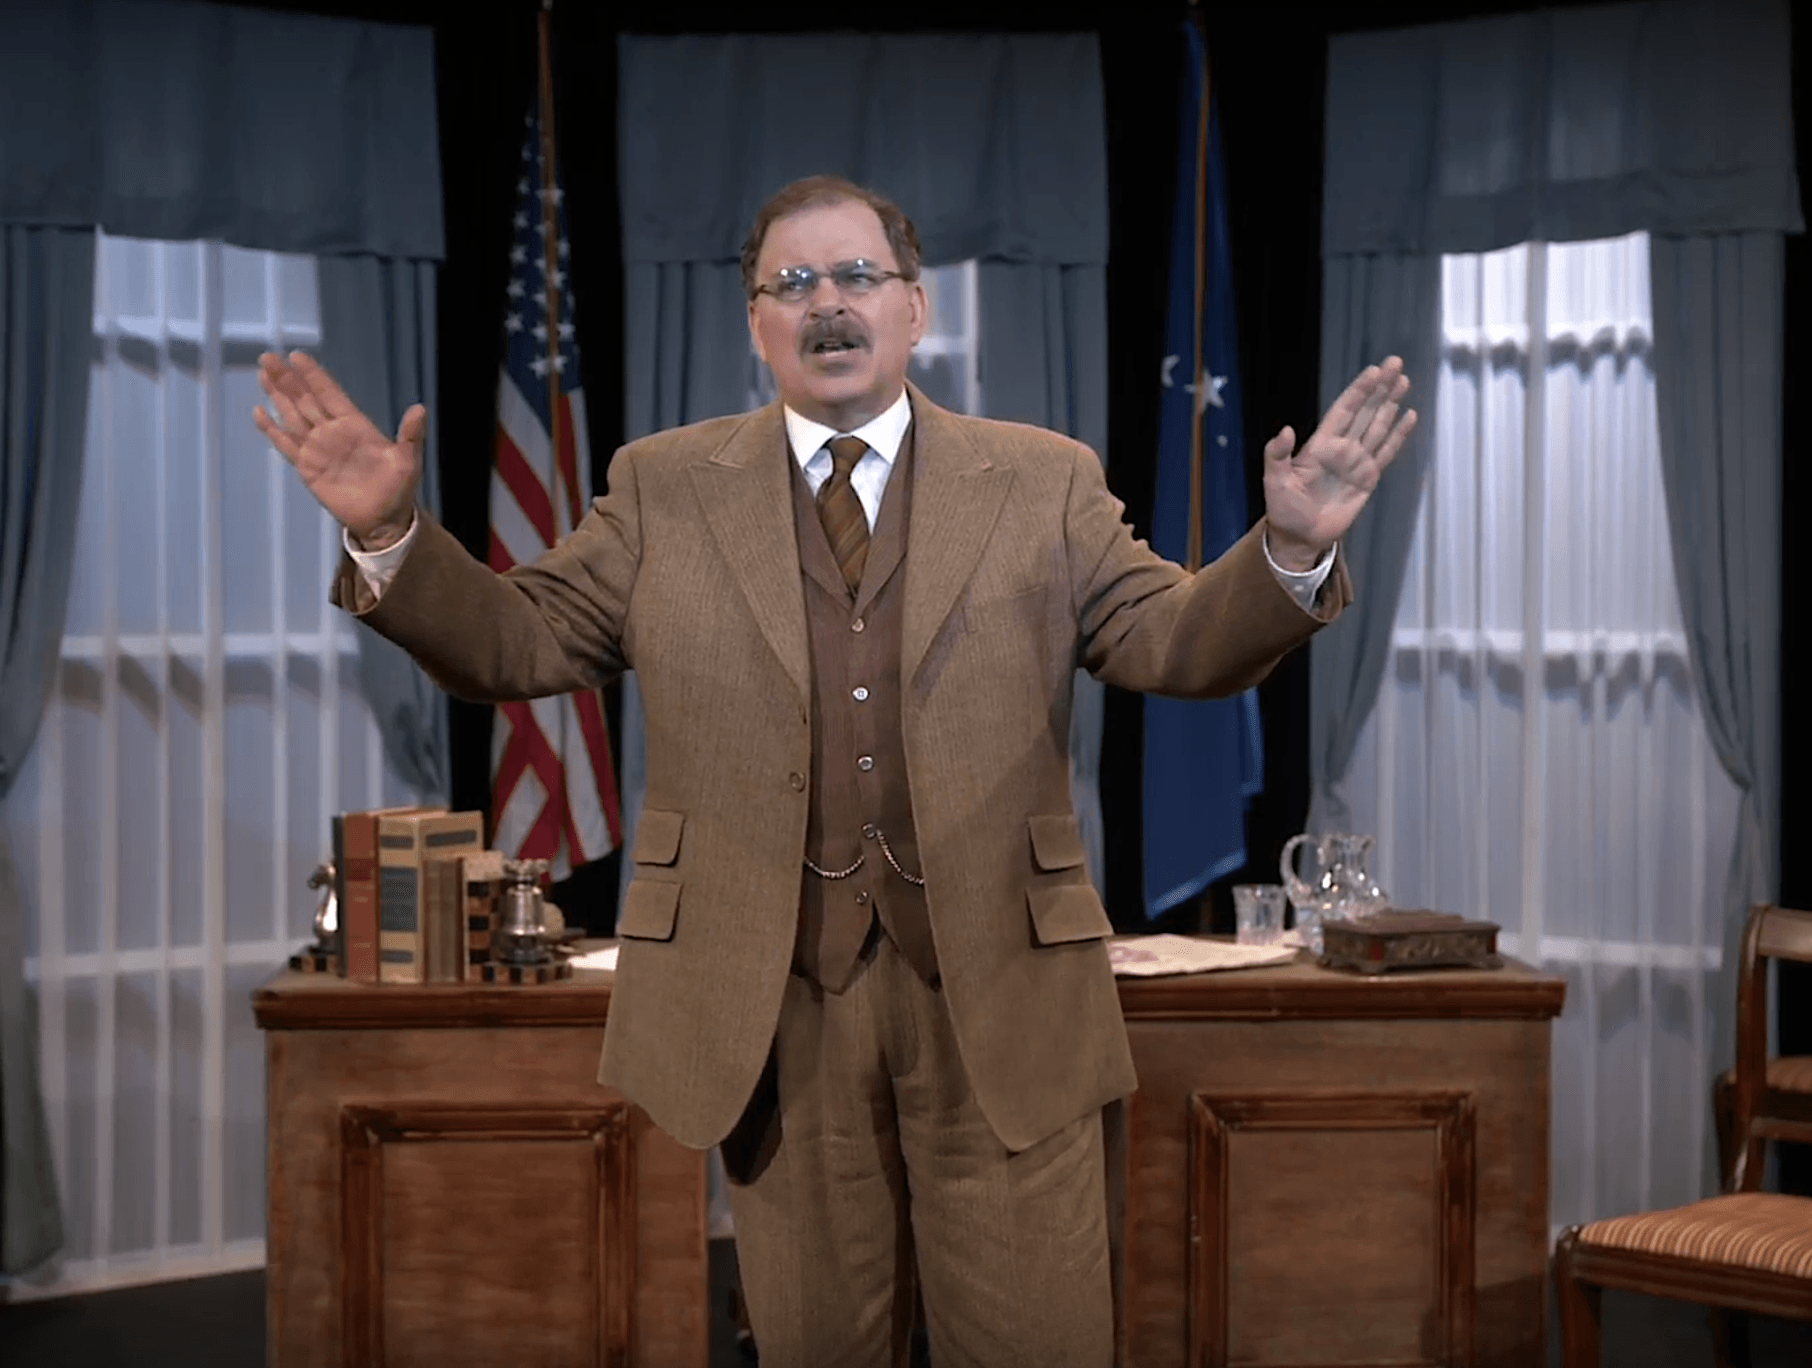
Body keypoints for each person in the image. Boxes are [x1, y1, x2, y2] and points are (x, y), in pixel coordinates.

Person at [255, 174, 1415, 1368]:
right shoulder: (661, 486)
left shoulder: (1043, 478)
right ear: (754, 321)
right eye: (792, 282)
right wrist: (392, 536)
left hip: (1004, 997)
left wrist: (1288, 550)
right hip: (773, 998)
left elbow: (1173, 642)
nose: (828, 304)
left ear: (914, 309)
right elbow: (518, 642)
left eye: (857, 276)